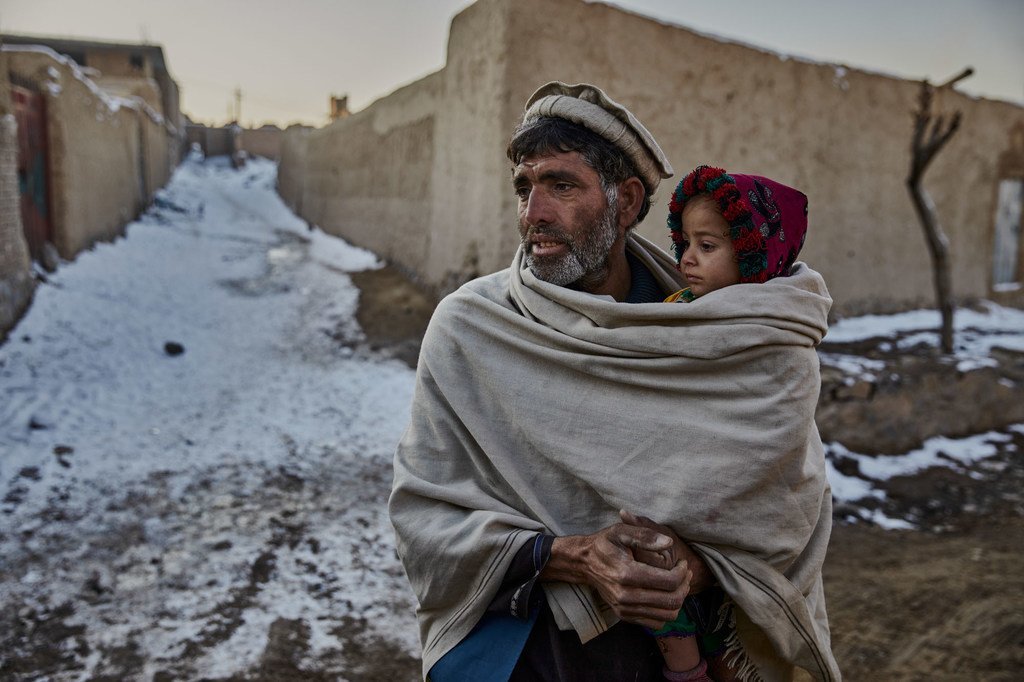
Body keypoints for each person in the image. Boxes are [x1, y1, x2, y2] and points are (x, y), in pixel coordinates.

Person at [389, 81, 840, 682]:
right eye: (524, 188)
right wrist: (570, 556)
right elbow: (424, 514)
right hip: (530, 650)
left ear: (625, 201)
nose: (534, 213)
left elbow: (785, 498)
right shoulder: (472, 328)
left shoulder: (719, 334)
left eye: (561, 185)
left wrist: (696, 566)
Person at [644, 165, 812, 681]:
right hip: (669, 489)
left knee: (729, 623)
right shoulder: (676, 309)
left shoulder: (775, 329)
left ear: (753, 253)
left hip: (732, 508)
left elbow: (776, 426)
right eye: (685, 242)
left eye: (708, 245)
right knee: (659, 578)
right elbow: (642, 387)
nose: (687, 258)